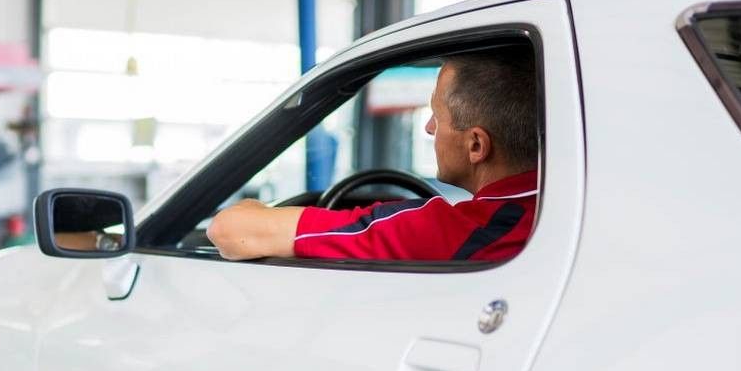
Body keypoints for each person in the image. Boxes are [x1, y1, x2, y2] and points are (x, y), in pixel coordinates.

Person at [207, 48, 540, 262]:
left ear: (476, 146)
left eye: (437, 116)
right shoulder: (557, 211)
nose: (428, 128)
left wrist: (253, 209)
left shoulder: (445, 231)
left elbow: (231, 230)